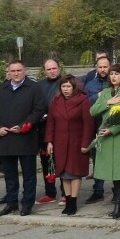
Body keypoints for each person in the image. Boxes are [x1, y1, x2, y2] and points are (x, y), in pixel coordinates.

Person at [0, 60, 47, 216]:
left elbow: (39, 110)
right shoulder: (1, 89)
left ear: (25, 71)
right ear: (8, 72)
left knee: (28, 174)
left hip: (25, 138)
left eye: (19, 70)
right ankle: (11, 203)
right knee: (9, 175)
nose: (15, 73)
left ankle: (27, 204)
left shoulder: (34, 88)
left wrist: (24, 125)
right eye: (12, 71)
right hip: (6, 138)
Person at [90, 63, 120, 219]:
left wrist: (113, 130)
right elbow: (93, 111)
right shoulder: (105, 93)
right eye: (111, 74)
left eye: (117, 74)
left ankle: (118, 204)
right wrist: (108, 103)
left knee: (119, 171)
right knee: (110, 171)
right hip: (106, 135)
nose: (113, 77)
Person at [44, 75, 95, 215]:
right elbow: (51, 123)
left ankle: (73, 202)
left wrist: (86, 144)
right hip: (60, 142)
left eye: (68, 87)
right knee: (64, 174)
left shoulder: (83, 101)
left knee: (75, 172)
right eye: (63, 86)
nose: (66, 89)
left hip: (76, 142)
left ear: (74, 88)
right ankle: (67, 200)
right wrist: (49, 141)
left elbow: (88, 124)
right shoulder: (56, 101)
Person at [82, 54, 113, 204]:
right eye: (100, 67)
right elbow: (86, 103)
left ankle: (117, 191)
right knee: (97, 159)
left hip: (112, 125)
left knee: (113, 159)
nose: (103, 70)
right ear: (96, 68)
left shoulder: (115, 82)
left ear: (110, 67)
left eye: (105, 67)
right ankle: (98, 190)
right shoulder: (90, 85)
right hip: (95, 125)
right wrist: (99, 96)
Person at [36, 59, 68, 204]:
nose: (52, 71)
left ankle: (66, 193)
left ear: (59, 68)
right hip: (43, 128)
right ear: (44, 71)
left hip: (61, 128)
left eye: (54, 68)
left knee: (62, 161)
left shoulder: (66, 83)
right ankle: (50, 193)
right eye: (49, 69)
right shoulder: (39, 86)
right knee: (46, 160)